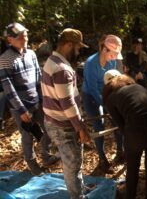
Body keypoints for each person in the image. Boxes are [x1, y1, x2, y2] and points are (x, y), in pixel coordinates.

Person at [0, 22, 59, 175]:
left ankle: (46, 156)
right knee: (27, 136)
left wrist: (44, 99)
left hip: (37, 102)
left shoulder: (31, 54)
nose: (23, 38)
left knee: (47, 130)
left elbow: (39, 78)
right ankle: (32, 164)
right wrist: (21, 109)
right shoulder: (5, 59)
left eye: (24, 34)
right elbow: (8, 89)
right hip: (20, 107)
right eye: (19, 36)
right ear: (10, 40)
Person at [41, 28, 91, 198]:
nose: (78, 52)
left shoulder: (52, 60)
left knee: (75, 161)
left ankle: (80, 188)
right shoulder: (61, 69)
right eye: (77, 48)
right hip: (63, 124)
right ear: (69, 44)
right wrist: (81, 128)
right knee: (72, 164)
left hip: (56, 120)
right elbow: (67, 103)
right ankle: (77, 196)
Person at [103, 70, 147, 199]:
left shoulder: (111, 98)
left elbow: (121, 127)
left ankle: (130, 195)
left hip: (135, 131)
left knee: (132, 168)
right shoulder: (139, 87)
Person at [82, 34, 124, 174]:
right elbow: (93, 89)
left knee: (117, 121)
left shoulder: (112, 61)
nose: (114, 59)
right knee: (98, 125)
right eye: (113, 54)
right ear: (104, 50)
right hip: (91, 96)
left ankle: (120, 151)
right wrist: (107, 105)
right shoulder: (91, 63)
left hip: (107, 93)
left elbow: (115, 79)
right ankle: (102, 159)